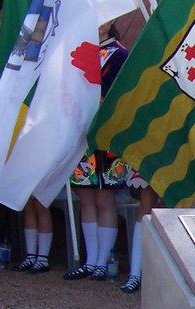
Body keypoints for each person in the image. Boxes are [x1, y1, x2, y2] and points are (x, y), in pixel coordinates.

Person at [65, 25, 129, 281]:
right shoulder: (79, 51)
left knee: (105, 199)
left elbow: (123, 96)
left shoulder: (119, 54)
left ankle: (104, 260)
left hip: (109, 139)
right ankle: (90, 261)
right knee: (86, 198)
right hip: (81, 137)